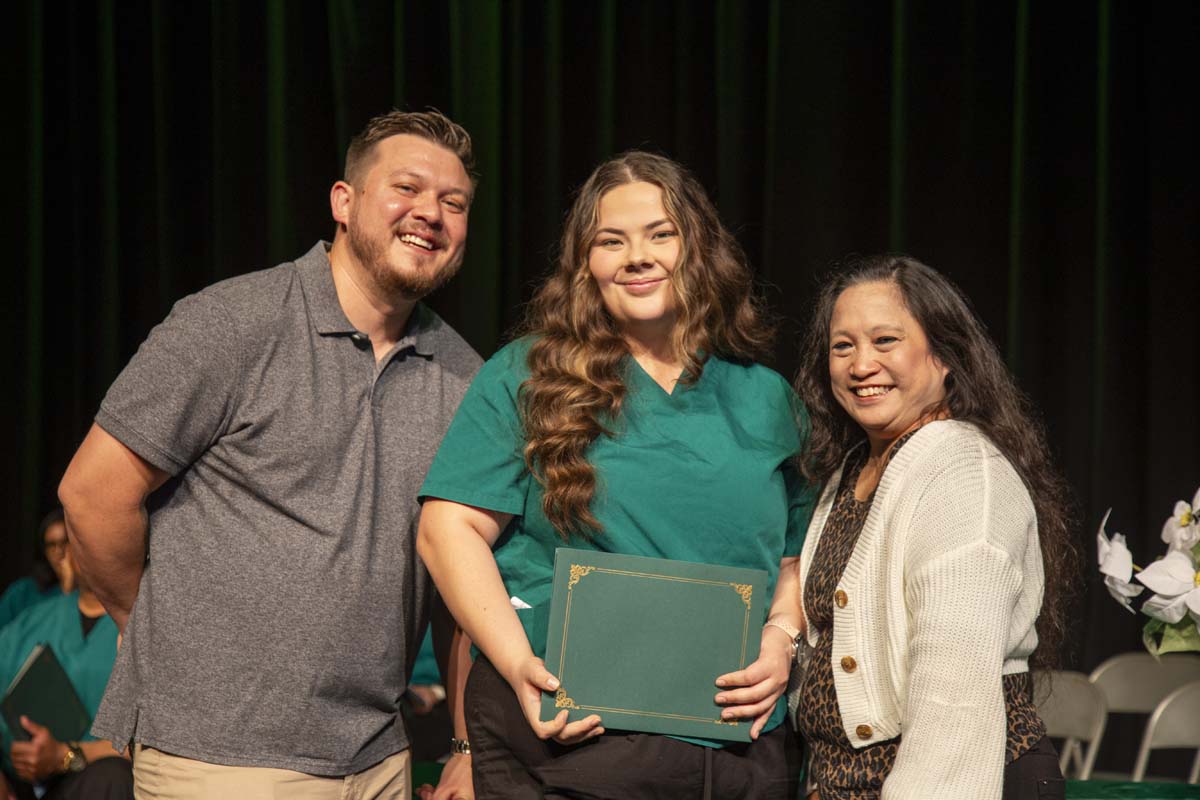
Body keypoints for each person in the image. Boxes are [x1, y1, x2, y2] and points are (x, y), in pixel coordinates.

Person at [56, 109, 483, 799]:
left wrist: (463, 745)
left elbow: (461, 592)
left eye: (453, 202)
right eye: (407, 188)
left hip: (381, 764)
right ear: (343, 202)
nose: (430, 213)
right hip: (220, 760)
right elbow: (92, 493)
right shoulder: (234, 323)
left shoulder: (465, 378)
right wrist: (148, 620)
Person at [417, 151, 815, 799]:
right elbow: (447, 529)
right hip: (573, 738)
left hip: (739, 744)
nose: (638, 256)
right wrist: (519, 665)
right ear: (586, 266)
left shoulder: (767, 398)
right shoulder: (526, 376)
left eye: (662, 233)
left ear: (699, 250)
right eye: (611, 241)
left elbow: (803, 546)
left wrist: (781, 638)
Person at [791, 254, 1078, 800]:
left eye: (885, 341)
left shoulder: (962, 472)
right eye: (843, 346)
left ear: (944, 356)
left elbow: (956, 687)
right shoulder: (853, 470)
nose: (860, 365)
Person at [0, 533, 132, 800]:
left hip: (99, 780)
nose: (84, 551)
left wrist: (64, 754)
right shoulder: (29, 624)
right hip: (20, 782)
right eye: (75, 540)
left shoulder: (139, 628)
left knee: (111, 778)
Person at [0, 510, 68, 629]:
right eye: (51, 545)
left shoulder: (94, 595)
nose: (59, 552)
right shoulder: (23, 593)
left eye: (66, 542)